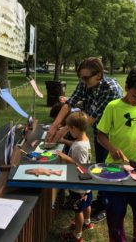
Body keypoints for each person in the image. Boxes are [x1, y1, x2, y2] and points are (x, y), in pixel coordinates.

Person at [46, 57, 123, 222]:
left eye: (86, 78)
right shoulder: (85, 82)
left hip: (112, 132)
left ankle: (104, 204)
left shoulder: (110, 89)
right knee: (98, 164)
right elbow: (69, 103)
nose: (82, 81)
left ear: (99, 75)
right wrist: (54, 126)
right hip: (98, 129)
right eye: (81, 77)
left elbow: (92, 118)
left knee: (105, 165)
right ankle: (93, 200)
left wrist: (66, 128)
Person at [97, 67, 136, 242]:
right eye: (135, 95)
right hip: (115, 171)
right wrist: (112, 148)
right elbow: (101, 135)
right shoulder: (113, 107)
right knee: (115, 216)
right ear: (126, 87)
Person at [56, 111, 93, 242]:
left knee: (78, 211)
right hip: (86, 184)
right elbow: (75, 145)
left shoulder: (80, 147)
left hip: (79, 184)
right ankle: (87, 222)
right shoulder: (84, 139)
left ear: (74, 128)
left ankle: (77, 236)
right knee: (87, 204)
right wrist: (64, 141)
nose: (68, 132)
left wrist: (66, 157)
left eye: (69, 129)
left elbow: (81, 167)